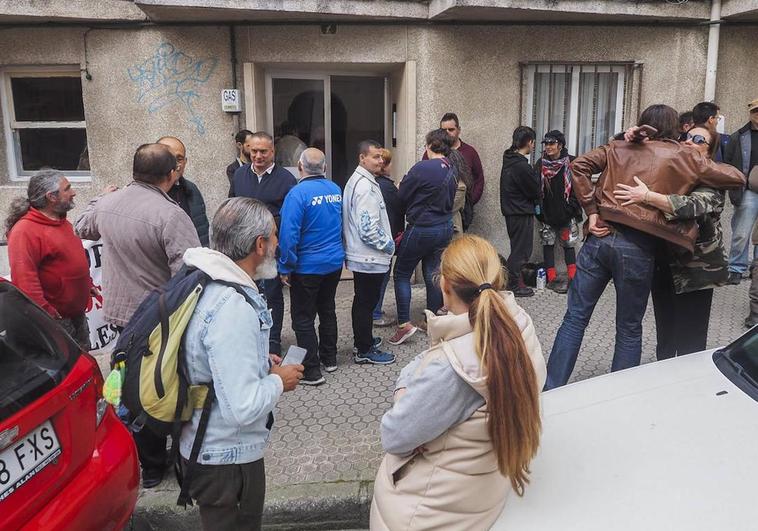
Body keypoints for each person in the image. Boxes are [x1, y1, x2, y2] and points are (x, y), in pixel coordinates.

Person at [544, 104, 745, 390]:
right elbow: (737, 177)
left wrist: (591, 211)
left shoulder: (620, 146)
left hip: (598, 239)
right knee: (628, 329)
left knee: (574, 319)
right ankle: (619, 396)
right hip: (637, 248)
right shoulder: (684, 155)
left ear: (641, 125)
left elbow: (578, 166)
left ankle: (551, 389)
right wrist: (697, 161)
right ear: (676, 130)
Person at [370, 235, 545, 530]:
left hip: (429, 514)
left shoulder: (454, 370)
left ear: (445, 286)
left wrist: (403, 389)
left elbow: (395, 435)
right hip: (479, 494)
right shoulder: (518, 325)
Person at [76, 143, 201, 488]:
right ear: (171, 174)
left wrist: (100, 198)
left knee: (134, 390)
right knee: (168, 387)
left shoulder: (110, 204)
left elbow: (82, 227)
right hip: (161, 321)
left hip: (121, 318)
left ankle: (151, 468)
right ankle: (180, 458)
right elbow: (190, 273)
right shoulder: (170, 215)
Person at [180, 197, 304, 531]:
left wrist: (259, 361)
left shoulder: (205, 279)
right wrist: (279, 380)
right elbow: (243, 406)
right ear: (259, 245)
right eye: (274, 236)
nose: (279, 243)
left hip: (210, 447)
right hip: (226, 458)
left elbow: (210, 357)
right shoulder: (231, 307)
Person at [614, 125, 728, 358]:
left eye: (698, 139)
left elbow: (691, 206)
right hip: (665, 265)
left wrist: (647, 196)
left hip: (698, 272)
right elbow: (627, 157)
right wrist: (627, 137)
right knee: (665, 338)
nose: (689, 141)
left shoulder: (713, 178)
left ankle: (687, 387)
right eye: (686, 137)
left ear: (709, 152)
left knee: (691, 344)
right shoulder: (672, 170)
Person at [278, 148, 345, 385]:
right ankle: (330, 358)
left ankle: (311, 370)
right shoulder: (336, 189)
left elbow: (288, 235)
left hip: (307, 267)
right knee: (327, 310)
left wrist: (285, 265)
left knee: (303, 318)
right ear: (324, 168)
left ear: (300, 167)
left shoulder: (297, 194)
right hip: (334, 263)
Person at [5, 169, 92, 350]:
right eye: (67, 189)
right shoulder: (25, 232)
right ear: (51, 197)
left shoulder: (61, 221)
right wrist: (49, 314)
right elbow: (25, 282)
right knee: (71, 371)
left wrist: (86, 285)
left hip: (76, 315)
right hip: (55, 322)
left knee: (85, 362)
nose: (73, 192)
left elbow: (69, 261)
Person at [229, 131, 297, 359]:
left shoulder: (286, 179)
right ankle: (250, 339)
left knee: (272, 295)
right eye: (254, 151)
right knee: (246, 295)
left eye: (263, 151)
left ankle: (273, 341)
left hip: (270, 250)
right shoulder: (239, 175)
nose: (257, 156)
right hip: (244, 250)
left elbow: (290, 219)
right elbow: (232, 206)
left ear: (272, 152)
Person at [390, 129, 456, 346]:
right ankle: (433, 321)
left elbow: (401, 197)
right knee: (432, 273)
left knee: (401, 273)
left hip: (422, 228)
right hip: (445, 227)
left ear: (429, 146)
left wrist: (401, 187)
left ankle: (404, 324)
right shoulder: (452, 169)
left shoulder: (422, 168)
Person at [343, 140, 396, 365]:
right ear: (362, 158)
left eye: (381, 157)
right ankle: (364, 349)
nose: (381, 161)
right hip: (369, 256)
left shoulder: (361, 181)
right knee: (366, 303)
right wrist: (390, 246)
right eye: (375, 157)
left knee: (363, 301)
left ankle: (363, 340)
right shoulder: (364, 187)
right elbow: (368, 230)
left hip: (364, 256)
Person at [534, 130, 582, 294]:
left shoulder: (572, 162)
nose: (548, 147)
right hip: (547, 214)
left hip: (567, 214)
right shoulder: (540, 164)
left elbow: (580, 187)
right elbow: (535, 189)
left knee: (569, 245)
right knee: (548, 244)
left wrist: (571, 208)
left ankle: (573, 279)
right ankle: (551, 278)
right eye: (546, 144)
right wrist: (539, 211)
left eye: (552, 143)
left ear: (560, 145)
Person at [499, 126, 541, 297]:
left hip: (512, 211)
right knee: (522, 251)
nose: (533, 146)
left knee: (517, 248)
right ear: (529, 142)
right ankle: (513, 285)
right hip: (521, 211)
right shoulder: (521, 165)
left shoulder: (510, 160)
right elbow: (534, 190)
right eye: (533, 142)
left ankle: (511, 282)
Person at [725, 98, 758, 285]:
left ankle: (756, 267)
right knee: (741, 232)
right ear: (750, 113)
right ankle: (736, 268)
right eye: (756, 111)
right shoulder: (738, 136)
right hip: (748, 191)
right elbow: (728, 163)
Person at [424, 112, 485, 206]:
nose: (447, 132)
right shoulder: (431, 152)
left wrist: (469, 202)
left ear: (459, 130)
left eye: (451, 129)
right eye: (444, 130)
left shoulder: (470, 152)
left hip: (463, 210)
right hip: (437, 209)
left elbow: (479, 178)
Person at [158, 136, 210, 246]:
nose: (176, 164)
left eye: (179, 159)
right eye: (169, 157)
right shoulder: (145, 194)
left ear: (185, 162)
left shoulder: (192, 190)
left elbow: (202, 232)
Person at [373, 148, 404, 328]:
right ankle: (375, 313)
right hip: (387, 238)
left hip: (380, 237)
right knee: (383, 276)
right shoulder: (386, 186)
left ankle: (374, 310)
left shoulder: (375, 184)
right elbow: (399, 207)